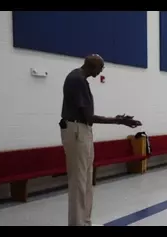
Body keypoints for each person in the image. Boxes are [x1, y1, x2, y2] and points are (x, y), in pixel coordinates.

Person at [60, 54, 142, 226]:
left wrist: (118, 120)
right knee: (79, 182)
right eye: (101, 68)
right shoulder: (77, 80)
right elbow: (88, 117)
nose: (101, 72)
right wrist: (118, 120)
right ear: (93, 66)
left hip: (81, 130)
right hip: (76, 130)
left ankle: (85, 222)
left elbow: (87, 117)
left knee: (86, 180)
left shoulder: (80, 78)